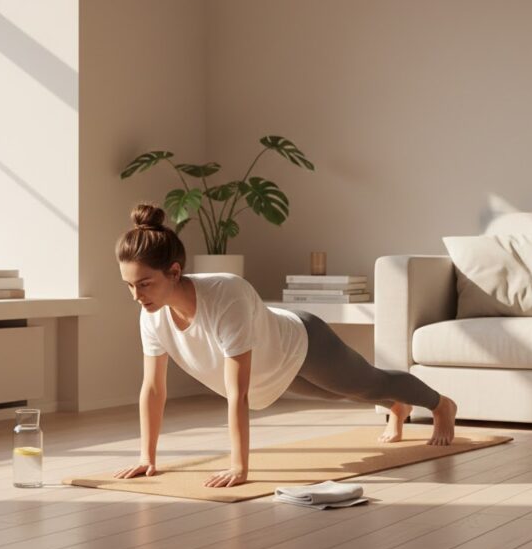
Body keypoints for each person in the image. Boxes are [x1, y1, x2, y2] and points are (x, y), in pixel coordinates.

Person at [113, 203, 457, 488]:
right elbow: (154, 389)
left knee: (368, 383)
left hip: (302, 342)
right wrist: (147, 458)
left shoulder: (224, 296)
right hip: (272, 366)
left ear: (174, 271)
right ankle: (397, 407)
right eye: (129, 285)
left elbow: (238, 394)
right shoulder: (152, 315)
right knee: (343, 393)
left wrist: (239, 466)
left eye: (144, 284)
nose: (136, 296)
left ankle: (441, 405)